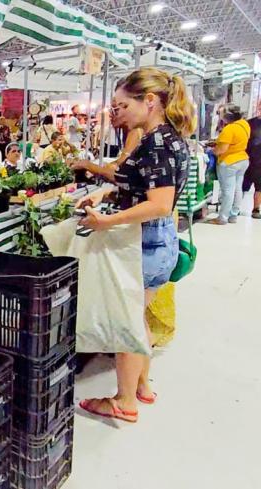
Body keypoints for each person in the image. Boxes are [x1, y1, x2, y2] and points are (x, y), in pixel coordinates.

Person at [77, 67, 196, 423]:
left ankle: (124, 401)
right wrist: (108, 189)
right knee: (138, 317)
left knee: (126, 322)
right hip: (159, 240)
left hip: (148, 241)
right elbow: (145, 186)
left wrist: (106, 221)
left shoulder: (157, 142)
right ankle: (142, 386)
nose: (117, 112)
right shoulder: (163, 137)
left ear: (149, 101)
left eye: (122, 104)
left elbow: (159, 203)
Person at [209, 104, 251, 224]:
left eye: (220, 114)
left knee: (228, 190)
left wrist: (212, 150)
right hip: (243, 160)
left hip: (229, 162)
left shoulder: (229, 129)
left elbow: (221, 150)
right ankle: (233, 215)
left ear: (226, 117)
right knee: (237, 188)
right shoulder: (244, 124)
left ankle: (222, 218)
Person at [241, 115, 261, 218]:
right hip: (248, 160)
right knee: (242, 185)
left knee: (259, 187)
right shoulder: (250, 123)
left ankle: (256, 209)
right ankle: (235, 207)